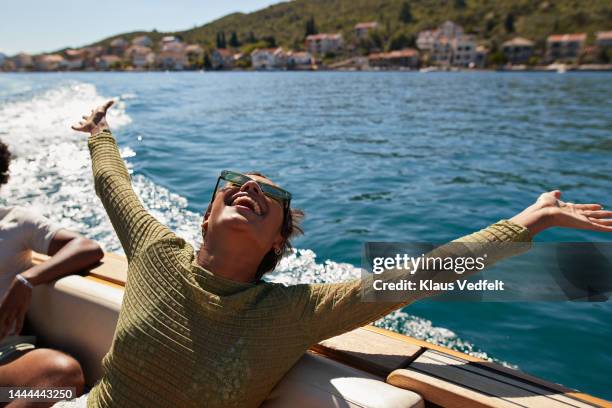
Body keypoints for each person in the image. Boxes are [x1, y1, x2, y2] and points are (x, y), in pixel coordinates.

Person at [72, 101, 612, 408]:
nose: (250, 189)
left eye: (271, 194)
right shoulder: (154, 252)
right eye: (235, 183)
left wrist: (532, 220)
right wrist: (99, 132)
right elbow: (114, 184)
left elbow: (424, 273)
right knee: (43, 376)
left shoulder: (294, 313)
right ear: (206, 216)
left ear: (277, 242)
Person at [0, 139, 104, 408]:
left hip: (5, 357)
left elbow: (86, 248)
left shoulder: (16, 222)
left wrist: (26, 280)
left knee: (62, 377)